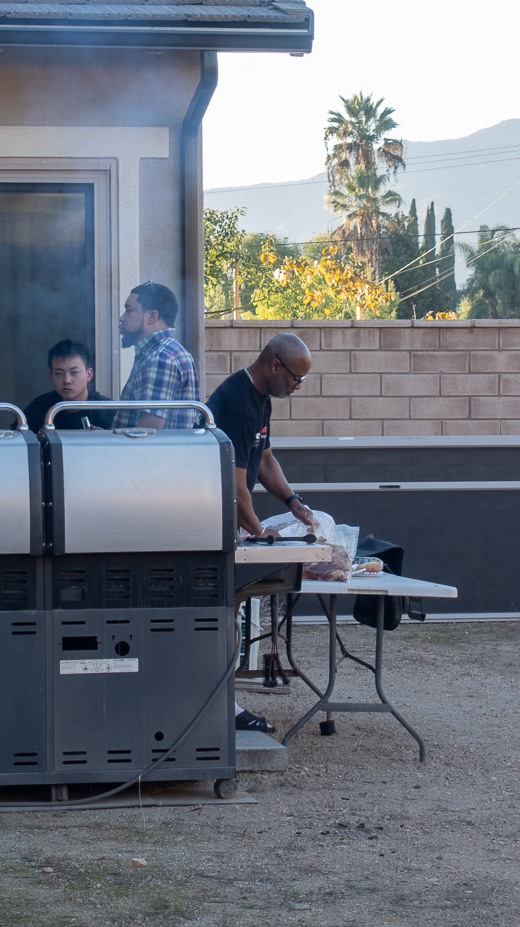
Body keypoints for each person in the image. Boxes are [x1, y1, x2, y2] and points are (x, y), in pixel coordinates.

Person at [207, 333, 316, 735]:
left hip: (228, 522)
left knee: (229, 616)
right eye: (296, 379)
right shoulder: (237, 403)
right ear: (274, 365)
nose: (297, 387)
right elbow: (235, 487)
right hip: (211, 523)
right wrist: (260, 535)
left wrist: (292, 501)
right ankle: (222, 708)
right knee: (221, 617)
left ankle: (224, 705)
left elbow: (264, 458)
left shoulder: (261, 399)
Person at [112, 281, 200, 429]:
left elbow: (148, 432)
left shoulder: (160, 358)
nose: (122, 318)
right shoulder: (168, 351)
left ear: (152, 317)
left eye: (129, 310)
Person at [22, 339, 116, 431]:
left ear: (89, 375)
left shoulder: (107, 409)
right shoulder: (40, 407)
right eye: (59, 373)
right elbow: (17, 436)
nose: (67, 380)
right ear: (51, 377)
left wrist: (103, 437)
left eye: (74, 372)